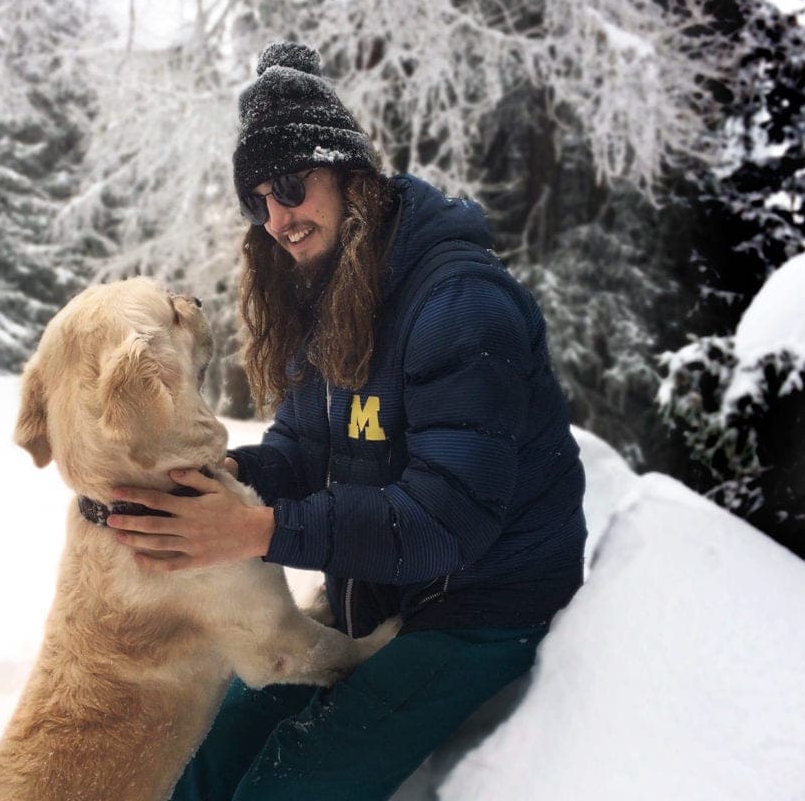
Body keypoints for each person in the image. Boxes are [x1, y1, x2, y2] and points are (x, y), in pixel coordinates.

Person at [104, 41, 587, 800]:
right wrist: (221, 483)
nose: (278, 219)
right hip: (382, 586)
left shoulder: (459, 304)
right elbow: (301, 447)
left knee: (281, 790)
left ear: (350, 174)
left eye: (292, 186)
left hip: (483, 603)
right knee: (204, 759)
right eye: (259, 200)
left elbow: (450, 517)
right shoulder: (328, 293)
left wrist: (259, 531)